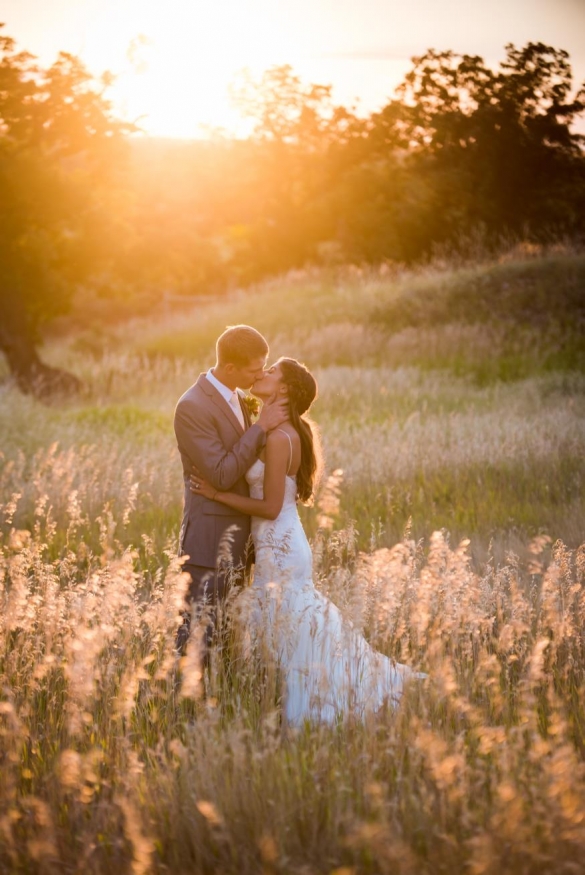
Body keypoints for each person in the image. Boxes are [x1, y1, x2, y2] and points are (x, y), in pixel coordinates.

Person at [190, 357, 425, 726]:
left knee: (294, 628)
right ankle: (319, 693)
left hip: (281, 543)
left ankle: (322, 704)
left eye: (271, 372)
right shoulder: (276, 429)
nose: (262, 374)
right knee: (294, 630)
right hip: (276, 543)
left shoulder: (282, 438)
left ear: (283, 389)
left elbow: (269, 507)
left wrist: (215, 495)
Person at [173, 325, 287, 652]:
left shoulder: (238, 396)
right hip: (209, 543)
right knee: (195, 643)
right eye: (254, 370)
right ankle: (185, 704)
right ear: (231, 368)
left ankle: (219, 702)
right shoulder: (192, 406)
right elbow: (221, 475)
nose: (260, 375)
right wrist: (261, 427)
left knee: (226, 642)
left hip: (240, 543)